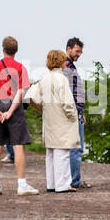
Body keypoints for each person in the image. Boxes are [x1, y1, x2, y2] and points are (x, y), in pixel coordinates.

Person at [0, 37, 38, 195]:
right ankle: (21, 184)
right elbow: (21, 92)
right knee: (18, 144)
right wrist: (10, 111)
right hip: (14, 106)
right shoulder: (20, 68)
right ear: (16, 50)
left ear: (3, 49)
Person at [24, 50, 79, 192]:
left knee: (51, 153)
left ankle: (51, 184)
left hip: (48, 118)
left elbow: (31, 96)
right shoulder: (61, 79)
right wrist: (73, 116)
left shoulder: (44, 78)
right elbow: (67, 102)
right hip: (61, 119)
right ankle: (63, 185)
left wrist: (42, 110)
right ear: (61, 62)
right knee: (63, 152)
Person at [63, 37, 89, 190]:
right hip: (72, 112)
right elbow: (66, 91)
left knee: (76, 147)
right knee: (75, 147)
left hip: (77, 111)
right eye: (77, 51)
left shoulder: (71, 66)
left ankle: (74, 179)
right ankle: (74, 180)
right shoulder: (66, 67)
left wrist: (81, 112)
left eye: (80, 52)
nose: (79, 54)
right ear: (69, 48)